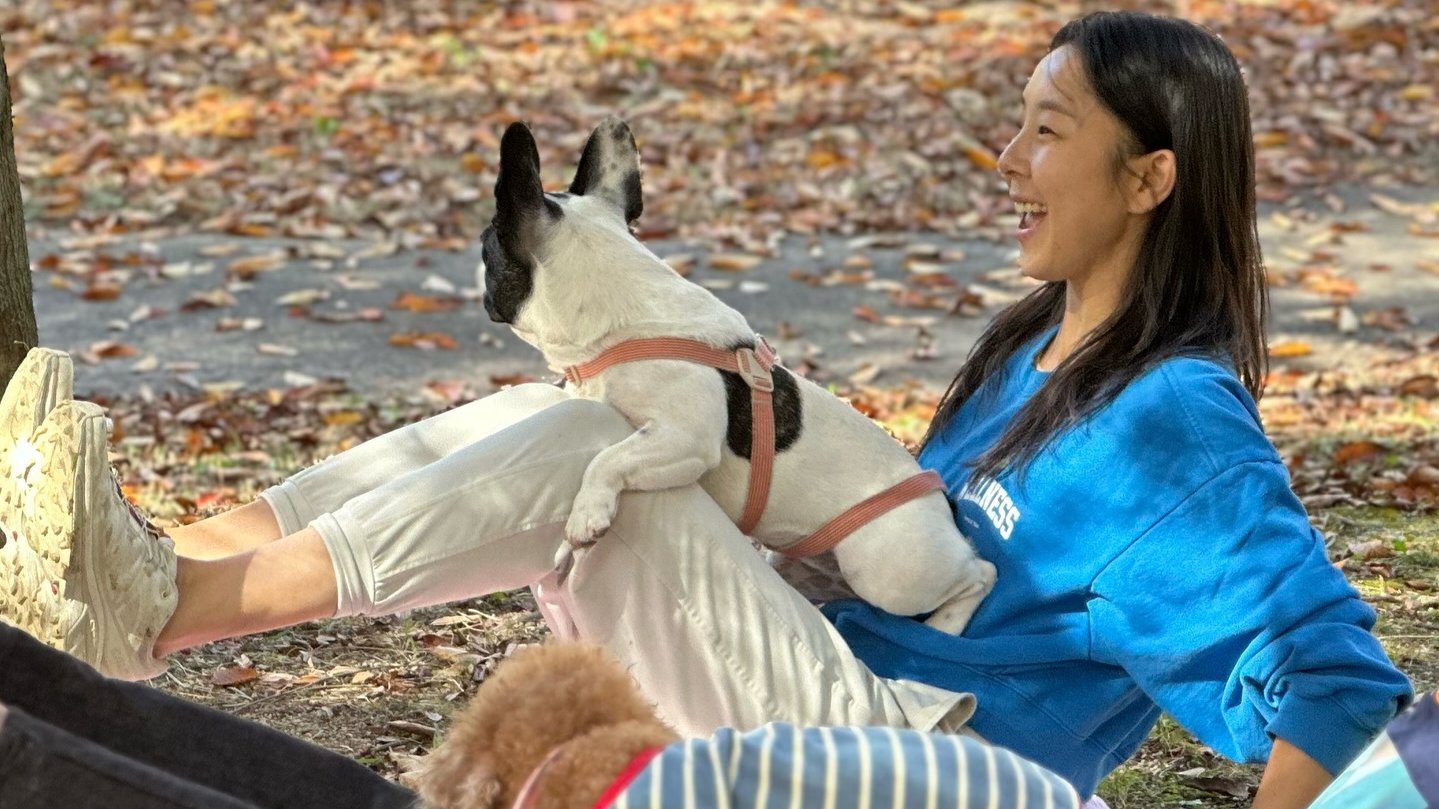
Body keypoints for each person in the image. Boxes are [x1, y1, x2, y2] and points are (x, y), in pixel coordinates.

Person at [0, 11, 1412, 808]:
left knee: (601, 444)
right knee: (559, 412)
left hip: (918, 768)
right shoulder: (1035, 352)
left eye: (1049, 131)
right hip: (823, 698)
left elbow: (1343, 688)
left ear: (1151, 178)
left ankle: (163, 607)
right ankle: (160, 560)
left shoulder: (1177, 425)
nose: (1009, 159)